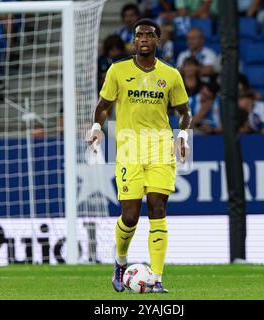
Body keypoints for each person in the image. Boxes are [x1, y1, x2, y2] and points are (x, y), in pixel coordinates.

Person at [89, 19, 191, 293]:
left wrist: (182, 135)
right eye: (139, 35)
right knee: (131, 216)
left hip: (160, 148)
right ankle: (121, 261)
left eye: (150, 34)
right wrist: (98, 127)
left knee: (157, 208)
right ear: (133, 41)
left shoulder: (170, 75)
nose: (144, 38)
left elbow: (184, 112)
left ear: (158, 41)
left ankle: (157, 278)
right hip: (129, 150)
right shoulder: (118, 71)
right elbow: (103, 106)